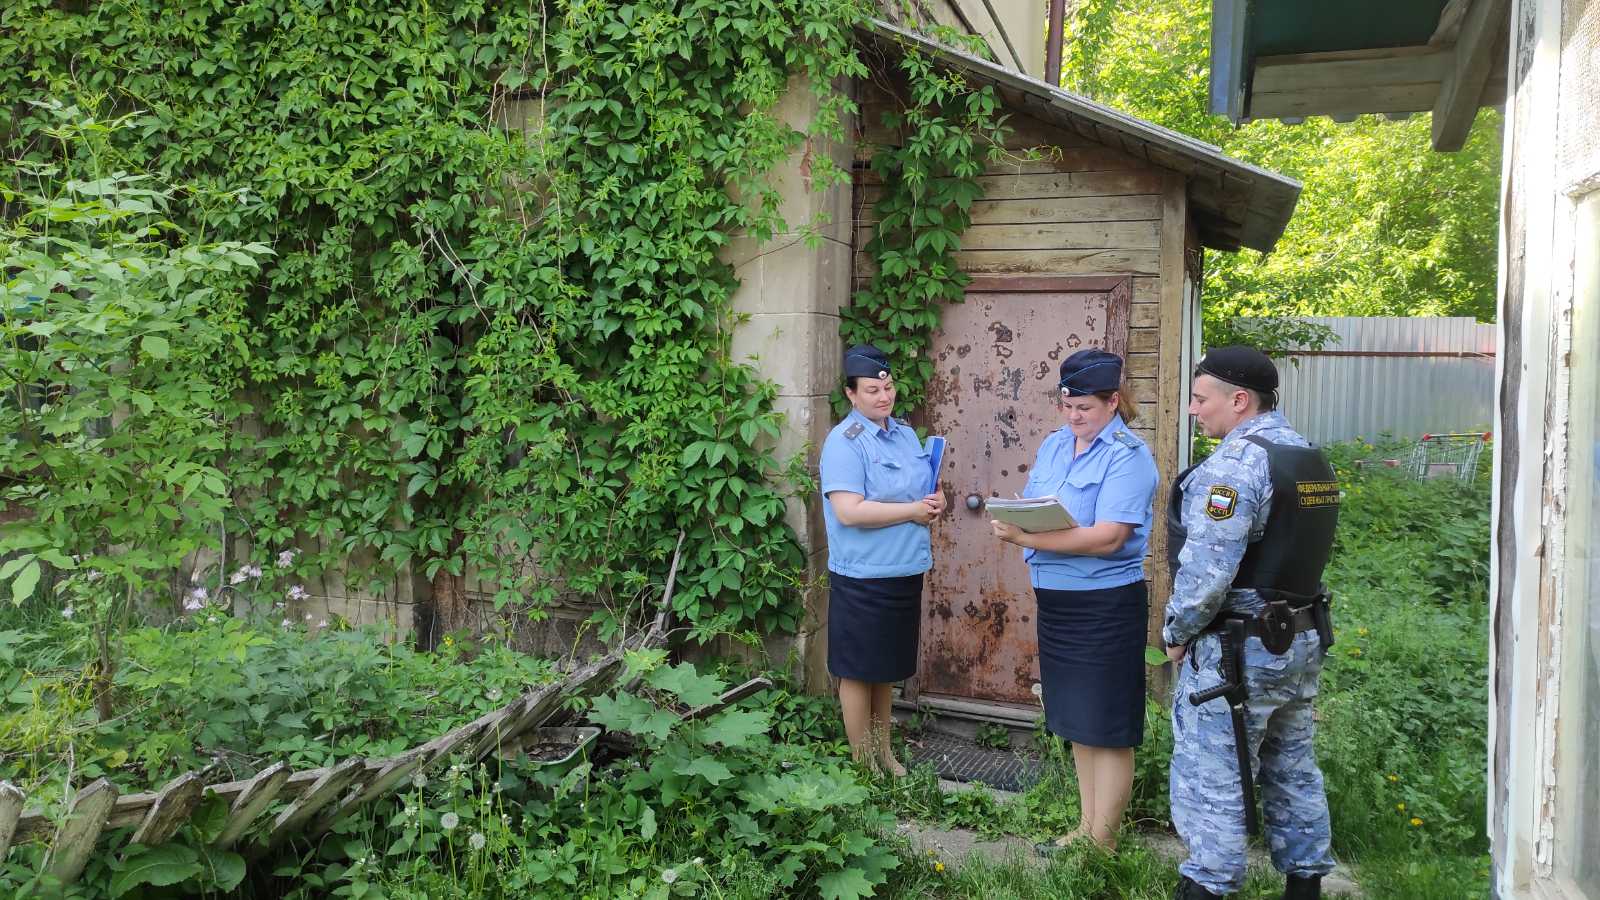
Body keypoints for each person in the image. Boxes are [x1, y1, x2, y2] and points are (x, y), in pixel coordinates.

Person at [1162, 346, 1342, 900]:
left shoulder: (1233, 468)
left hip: (1238, 649)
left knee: (1212, 776)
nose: (1194, 410)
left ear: (1239, 400)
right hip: (1301, 638)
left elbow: (1207, 574)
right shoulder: (1309, 457)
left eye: (1200, 398)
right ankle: (1305, 883)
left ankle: (1208, 886)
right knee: (1292, 765)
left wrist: (1176, 632)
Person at [991, 349, 1158, 851]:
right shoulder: (1055, 445)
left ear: (1113, 401)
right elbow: (1040, 502)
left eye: (1084, 407)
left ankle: (1103, 843)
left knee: (1107, 725)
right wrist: (1020, 515)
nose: (1073, 416)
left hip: (1105, 604)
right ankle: (1086, 828)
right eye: (1066, 405)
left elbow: (1108, 538)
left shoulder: (1129, 456)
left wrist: (1027, 539)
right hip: (1059, 601)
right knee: (1080, 722)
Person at [819, 343, 945, 775]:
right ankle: (862, 762)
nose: (883, 396)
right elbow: (848, 511)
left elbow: (920, 489)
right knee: (858, 670)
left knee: (885, 669)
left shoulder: (906, 434)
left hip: (904, 569)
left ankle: (884, 754)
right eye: (872, 389)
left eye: (888, 387)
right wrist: (912, 511)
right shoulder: (844, 443)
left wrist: (934, 500)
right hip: (864, 574)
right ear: (851, 394)